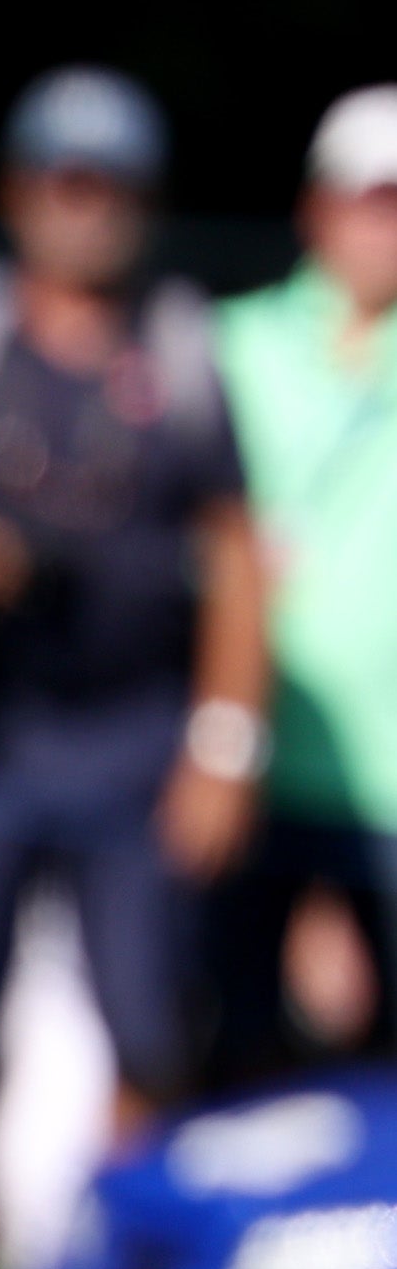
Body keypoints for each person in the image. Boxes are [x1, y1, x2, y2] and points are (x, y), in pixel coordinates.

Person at [0, 70, 268, 1269]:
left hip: (133, 732)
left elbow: (236, 559)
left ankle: (119, 1261)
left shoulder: (180, 352)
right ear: (19, 194)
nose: (85, 209)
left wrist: (223, 745)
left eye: (109, 187)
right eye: (63, 182)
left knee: (147, 1011)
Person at [211, 87, 397, 1072]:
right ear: (316, 207)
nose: (385, 225)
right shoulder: (228, 344)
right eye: (371, 198)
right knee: (237, 1051)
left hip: (388, 774)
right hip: (245, 763)